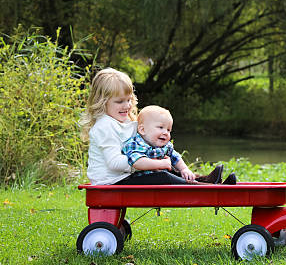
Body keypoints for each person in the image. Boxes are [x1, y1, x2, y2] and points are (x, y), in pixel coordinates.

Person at [80, 68, 228, 185]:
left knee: (164, 171)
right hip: (110, 182)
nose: (127, 106)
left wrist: (158, 155)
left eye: (129, 100)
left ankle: (202, 180)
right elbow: (114, 163)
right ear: (102, 101)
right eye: (120, 102)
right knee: (162, 176)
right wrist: (151, 163)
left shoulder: (125, 122)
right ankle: (200, 187)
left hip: (125, 177)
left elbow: (146, 146)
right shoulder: (104, 126)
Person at [120, 105, 236, 185]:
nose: (165, 132)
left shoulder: (164, 146)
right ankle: (206, 187)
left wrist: (184, 169)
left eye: (168, 130)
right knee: (165, 175)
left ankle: (206, 180)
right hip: (142, 180)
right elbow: (137, 162)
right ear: (142, 129)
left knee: (178, 173)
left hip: (161, 177)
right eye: (160, 127)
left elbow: (175, 157)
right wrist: (161, 164)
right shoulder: (135, 144)